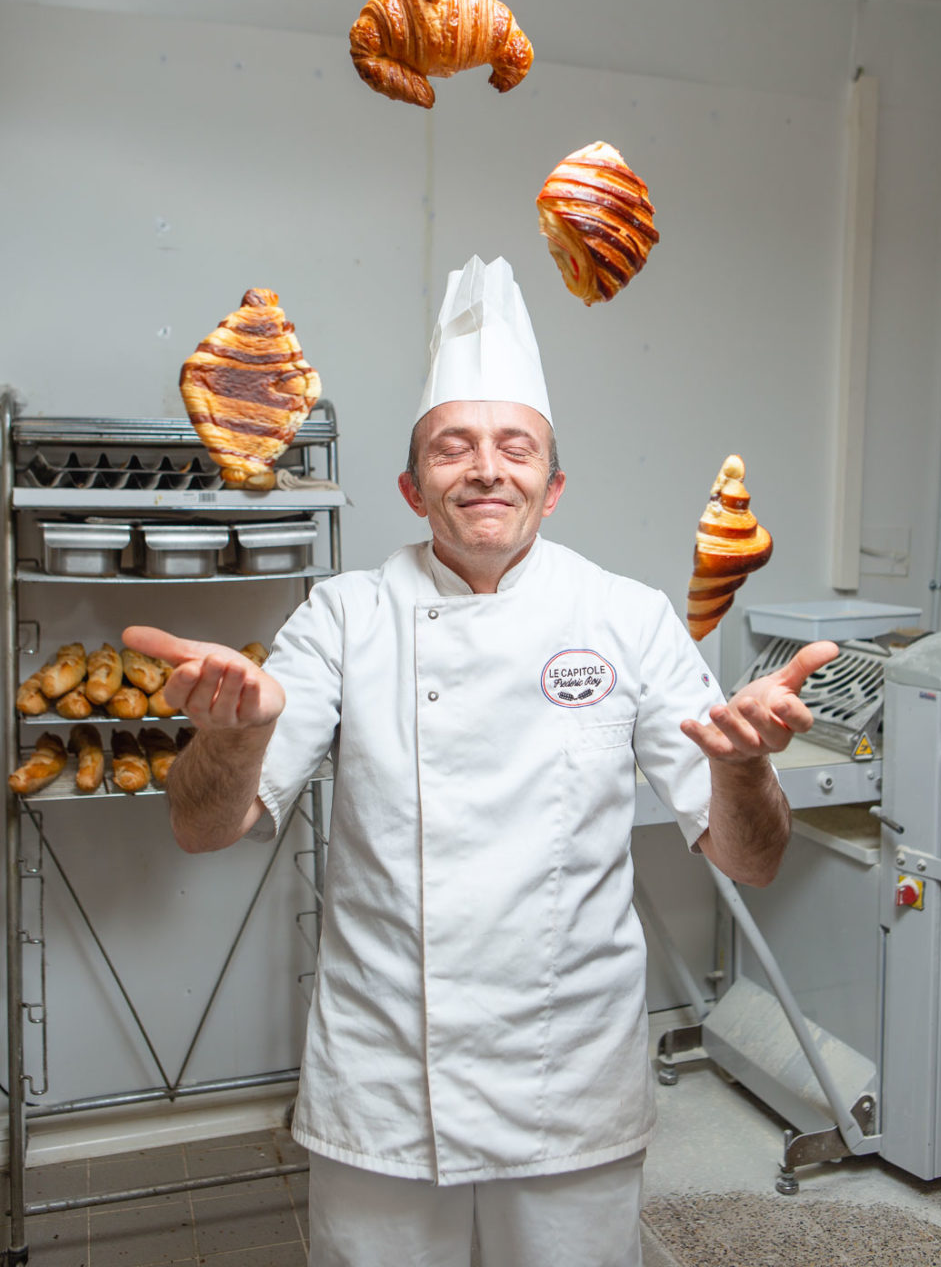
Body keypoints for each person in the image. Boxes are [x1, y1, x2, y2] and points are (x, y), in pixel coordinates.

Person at [125, 256, 837, 1267]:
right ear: (414, 488)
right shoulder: (345, 614)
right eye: (453, 447)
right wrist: (232, 735)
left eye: (516, 447)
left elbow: (750, 859)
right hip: (385, 1076)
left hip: (567, 1075)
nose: (487, 467)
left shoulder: (625, 617)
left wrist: (742, 768)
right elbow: (203, 828)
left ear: (553, 485)